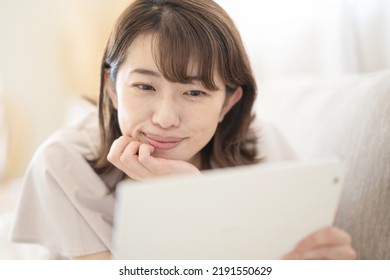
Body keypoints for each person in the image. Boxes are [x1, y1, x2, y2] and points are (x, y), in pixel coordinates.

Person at [10, 0, 356, 260]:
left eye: (194, 92)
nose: (165, 118)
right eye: (144, 87)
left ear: (227, 103)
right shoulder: (62, 163)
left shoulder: (259, 141)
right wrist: (180, 206)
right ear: (112, 87)